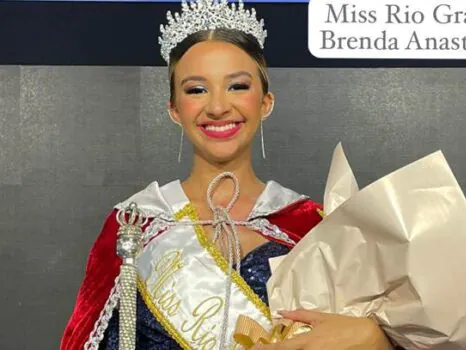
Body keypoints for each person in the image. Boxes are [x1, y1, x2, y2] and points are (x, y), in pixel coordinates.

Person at [60, 0, 395, 349]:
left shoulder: (311, 225)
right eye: (196, 90)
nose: (218, 107)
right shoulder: (134, 223)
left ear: (265, 102)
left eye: (237, 86)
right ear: (174, 108)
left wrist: (375, 339)